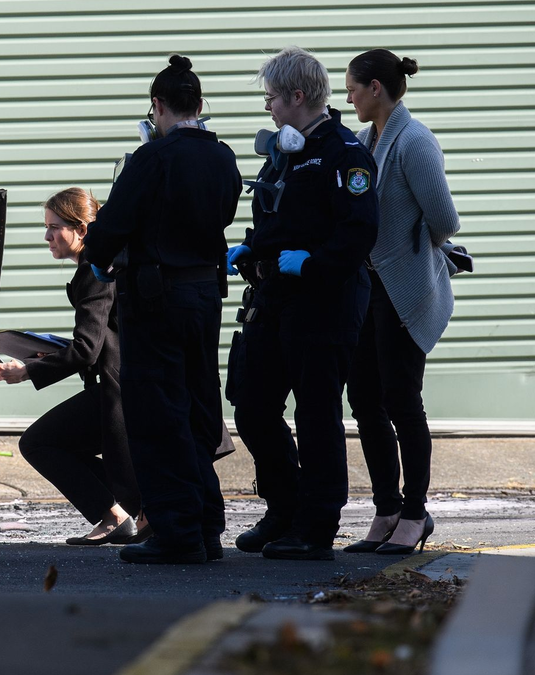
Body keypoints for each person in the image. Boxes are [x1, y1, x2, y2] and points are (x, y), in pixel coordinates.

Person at [82, 55, 242, 564]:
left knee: (156, 414)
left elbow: (111, 228)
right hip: (203, 296)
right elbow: (224, 212)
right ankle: (206, 526)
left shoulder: (149, 159)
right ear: (200, 106)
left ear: (158, 106)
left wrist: (98, 262)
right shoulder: (224, 158)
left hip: (155, 299)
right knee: (198, 407)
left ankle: (176, 531)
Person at [226, 46, 379, 560]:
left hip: (325, 299)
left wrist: (311, 264)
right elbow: (278, 218)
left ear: (297, 96)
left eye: (271, 97)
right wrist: (255, 246)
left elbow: (359, 231)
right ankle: (284, 507)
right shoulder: (284, 152)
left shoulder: (344, 153)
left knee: (316, 414)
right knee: (251, 404)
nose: (267, 108)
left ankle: (315, 526)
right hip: (276, 295)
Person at [342, 50, 459, 555]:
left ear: (374, 88)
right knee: (365, 398)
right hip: (368, 291)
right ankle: (387, 508)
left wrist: (410, 249)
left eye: (351, 88)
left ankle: (415, 512)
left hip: (404, 289)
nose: (347, 98)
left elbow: (444, 220)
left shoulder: (414, 140)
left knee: (402, 400)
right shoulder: (367, 139)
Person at [0, 188, 146, 546]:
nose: (46, 237)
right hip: (116, 386)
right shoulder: (98, 267)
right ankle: (127, 508)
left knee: (39, 442)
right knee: (56, 443)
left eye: (54, 227)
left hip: (117, 390)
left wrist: (27, 370)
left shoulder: (94, 272)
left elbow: (88, 349)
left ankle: (117, 513)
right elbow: (100, 338)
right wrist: (45, 354)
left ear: (82, 230)